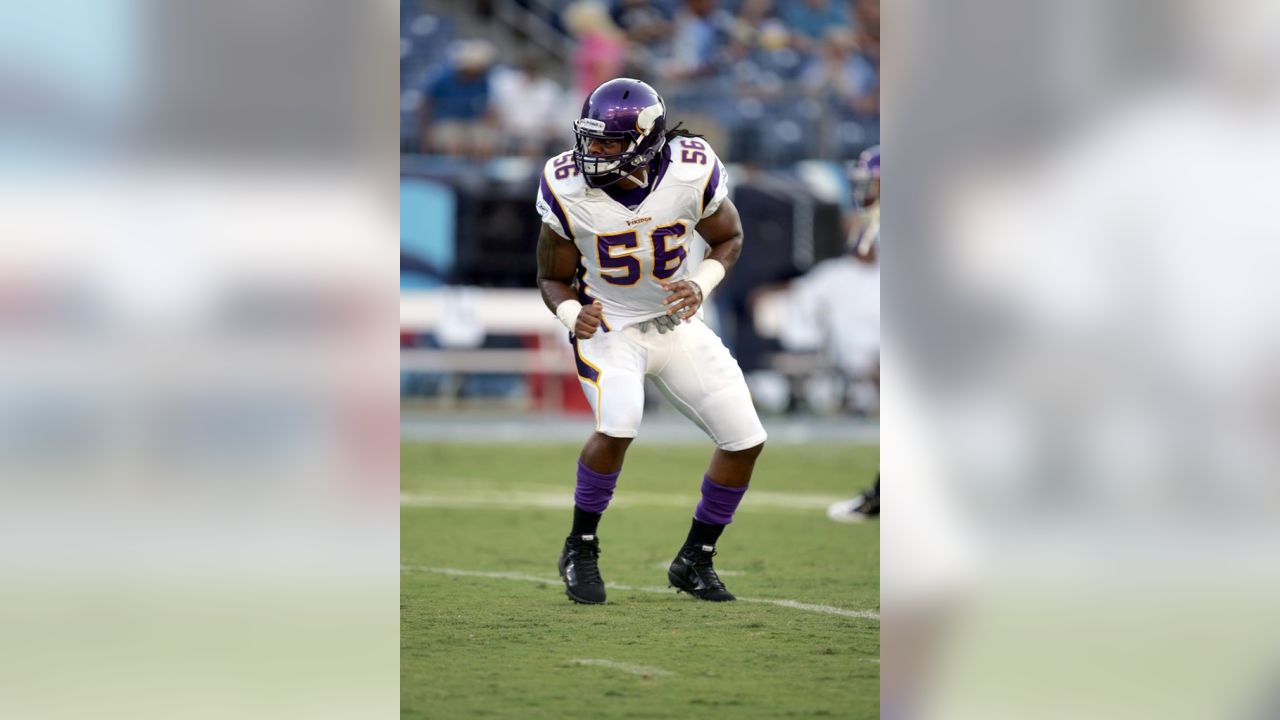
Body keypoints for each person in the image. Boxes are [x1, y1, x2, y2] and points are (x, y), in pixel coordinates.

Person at [534, 78, 767, 604]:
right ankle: (581, 547)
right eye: (589, 139)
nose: (592, 152)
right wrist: (573, 313)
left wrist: (700, 283)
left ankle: (695, 559)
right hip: (610, 325)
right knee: (618, 423)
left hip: (674, 322)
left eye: (608, 143)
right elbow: (551, 276)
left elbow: (728, 237)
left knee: (745, 439)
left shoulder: (692, 168)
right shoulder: (565, 184)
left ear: (644, 140)